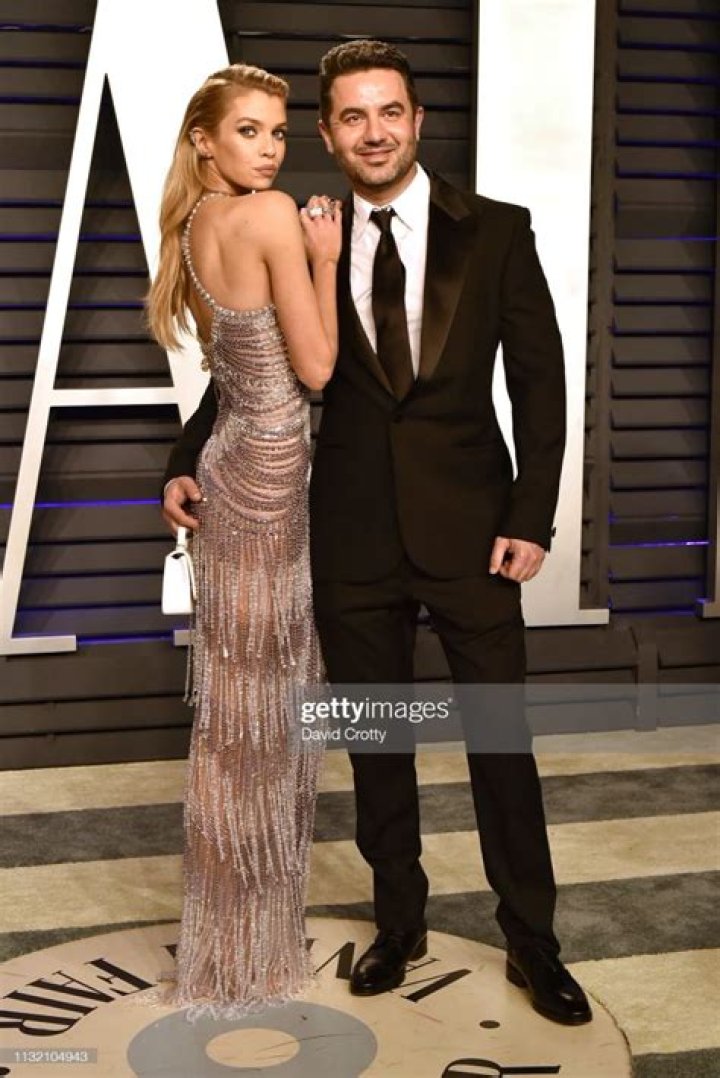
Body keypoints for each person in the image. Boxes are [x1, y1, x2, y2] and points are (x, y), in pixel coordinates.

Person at [163, 41, 592, 1026]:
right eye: (352, 116)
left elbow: (542, 382)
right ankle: (399, 924)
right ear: (327, 132)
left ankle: (534, 941)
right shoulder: (302, 228)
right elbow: (252, 360)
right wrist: (185, 455)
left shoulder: (497, 229)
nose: (374, 132)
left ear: (417, 119)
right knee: (377, 745)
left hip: (475, 533)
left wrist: (531, 515)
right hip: (351, 534)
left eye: (389, 111)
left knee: (500, 742)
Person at [147, 62, 342, 1019]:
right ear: (205, 139)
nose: (269, 150)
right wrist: (326, 259)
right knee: (269, 716)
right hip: (270, 481)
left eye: (278, 133)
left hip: (227, 474)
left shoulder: (190, 227)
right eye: (249, 131)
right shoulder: (269, 218)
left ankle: (227, 945)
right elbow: (317, 368)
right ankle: (253, 949)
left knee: (233, 716)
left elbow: (229, 378)